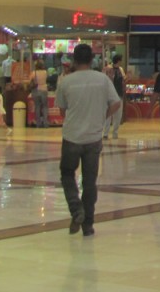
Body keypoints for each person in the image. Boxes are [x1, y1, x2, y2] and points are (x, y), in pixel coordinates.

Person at [56, 44, 121, 238]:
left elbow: (62, 110)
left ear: (74, 60)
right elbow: (116, 103)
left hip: (72, 137)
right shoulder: (102, 80)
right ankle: (88, 225)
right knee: (90, 181)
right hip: (94, 137)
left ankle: (77, 210)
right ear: (92, 60)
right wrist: (102, 117)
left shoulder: (66, 82)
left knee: (67, 174)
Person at [104, 54, 126, 140]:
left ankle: (114, 133)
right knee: (109, 114)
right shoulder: (108, 68)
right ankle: (106, 133)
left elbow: (123, 80)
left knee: (118, 115)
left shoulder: (120, 69)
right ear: (119, 61)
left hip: (119, 93)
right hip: (110, 94)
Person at [31, 59, 49, 128]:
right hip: (44, 89)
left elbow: (30, 80)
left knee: (37, 106)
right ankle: (45, 123)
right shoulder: (45, 72)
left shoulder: (33, 72)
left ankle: (38, 123)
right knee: (45, 106)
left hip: (36, 90)